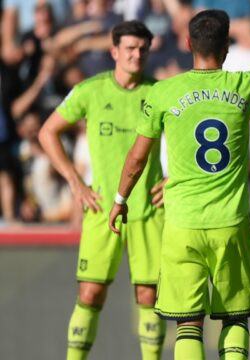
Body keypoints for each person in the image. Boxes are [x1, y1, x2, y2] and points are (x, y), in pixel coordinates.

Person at [108, 10, 250, 359]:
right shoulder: (247, 85)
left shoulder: (164, 93)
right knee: (235, 319)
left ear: (188, 43)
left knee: (188, 324)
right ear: (226, 46)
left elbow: (137, 158)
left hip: (182, 223)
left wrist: (121, 198)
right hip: (231, 223)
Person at [38, 21, 167, 360]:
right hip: (101, 208)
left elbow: (191, 136)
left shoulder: (159, 92)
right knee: (91, 293)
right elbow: (47, 133)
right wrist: (74, 181)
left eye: (142, 49)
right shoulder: (90, 91)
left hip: (148, 210)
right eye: (129, 48)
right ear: (114, 52)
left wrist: (175, 179)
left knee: (149, 296)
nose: (136, 55)